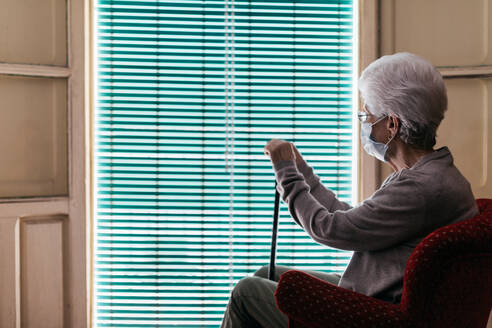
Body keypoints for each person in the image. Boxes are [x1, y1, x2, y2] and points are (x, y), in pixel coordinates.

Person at [220, 52, 479, 327]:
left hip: (371, 313)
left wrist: (286, 173)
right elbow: (353, 220)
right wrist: (301, 171)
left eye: (367, 115)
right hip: (372, 295)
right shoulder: (429, 174)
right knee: (264, 274)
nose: (364, 124)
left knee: (246, 293)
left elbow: (331, 228)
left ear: (391, 125)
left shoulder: (420, 188)